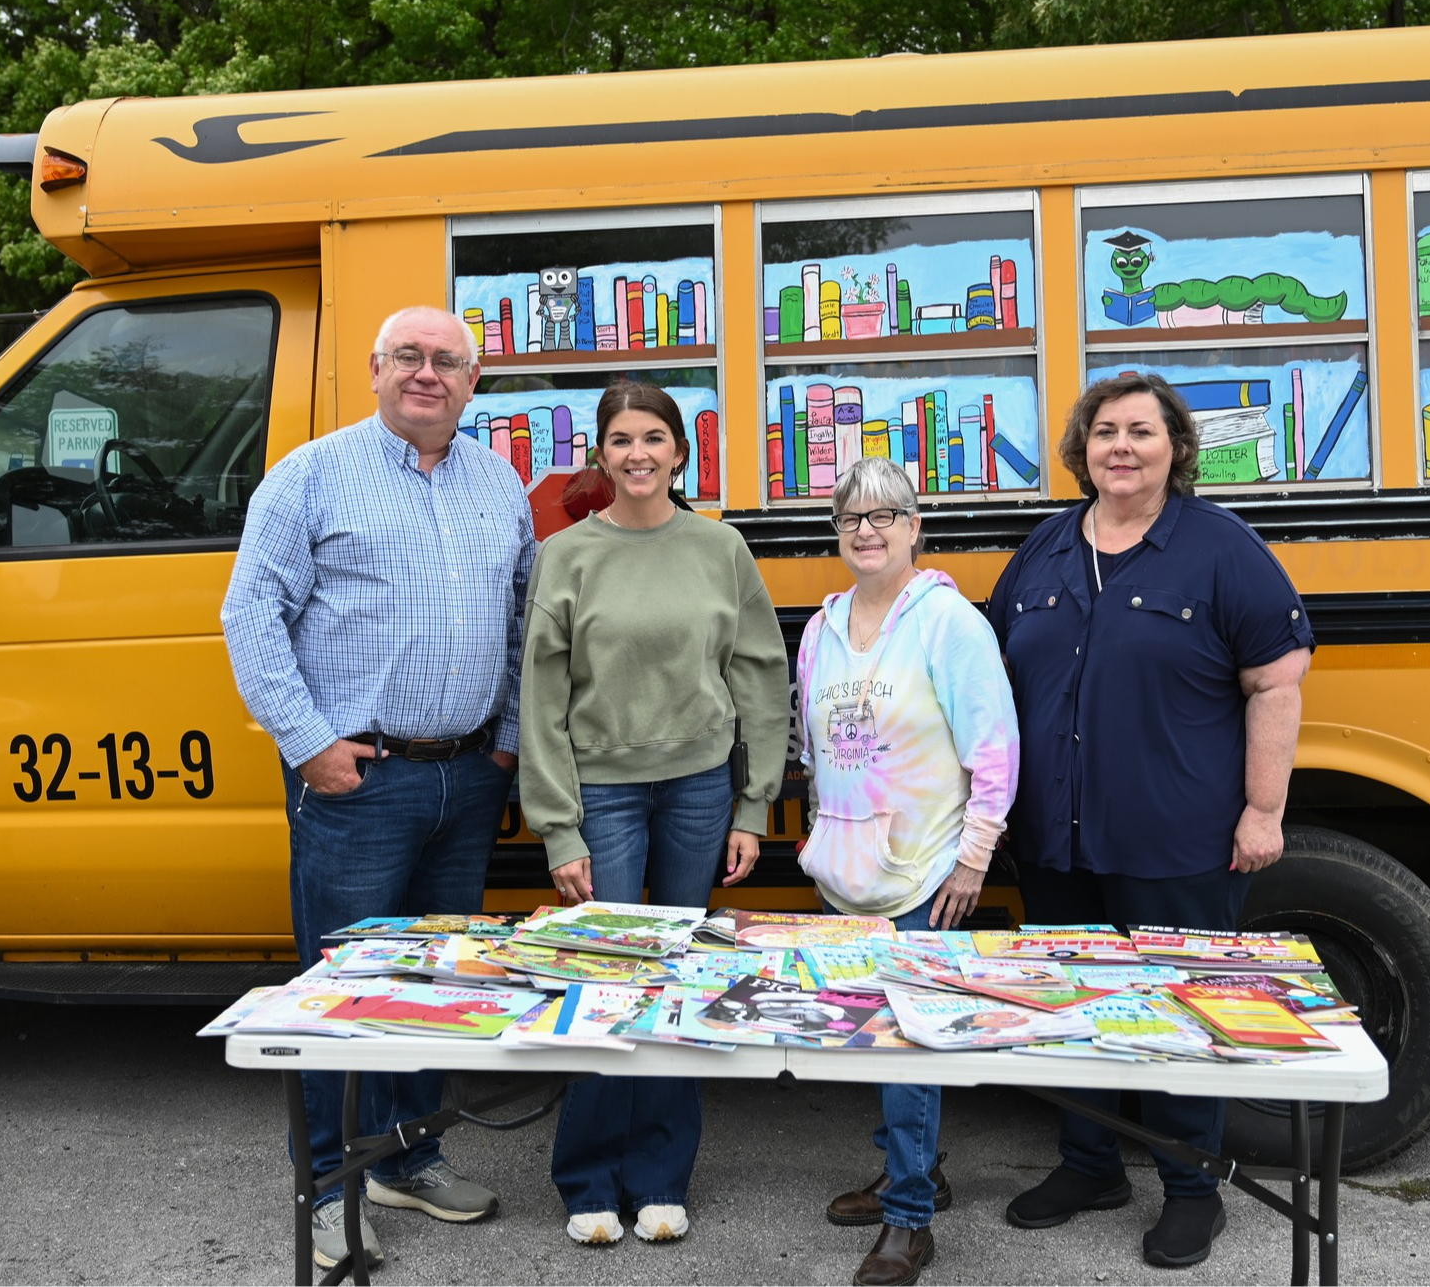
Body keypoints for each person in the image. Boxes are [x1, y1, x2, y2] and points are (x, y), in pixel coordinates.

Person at [221, 306, 533, 1271]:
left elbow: (524, 619)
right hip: (358, 777)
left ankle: (411, 1155)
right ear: (375, 368)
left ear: (473, 382)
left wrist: (512, 738)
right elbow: (251, 614)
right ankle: (324, 1183)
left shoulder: (500, 483)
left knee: (439, 987)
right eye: (410, 356)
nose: (428, 374)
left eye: (447, 361)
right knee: (341, 991)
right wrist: (309, 742)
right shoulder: (311, 476)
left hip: (467, 774)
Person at [987, 372, 1314, 1269]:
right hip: (1058, 838)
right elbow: (995, 685)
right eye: (1103, 432)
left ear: (1176, 444)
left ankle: (1192, 1189)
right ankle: (1089, 1164)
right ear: (1080, 450)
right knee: (1073, 1010)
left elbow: (1275, 681)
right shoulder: (1046, 551)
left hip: (1178, 840)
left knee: (1179, 1013)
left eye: (1140, 430)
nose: (1120, 447)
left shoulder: (1221, 549)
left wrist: (1263, 808)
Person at [518, 380, 790, 1247]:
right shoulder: (568, 556)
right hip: (602, 793)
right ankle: (589, 1178)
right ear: (601, 454)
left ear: (680, 449)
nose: (638, 453)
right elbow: (541, 698)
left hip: (699, 790)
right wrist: (559, 823)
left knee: (678, 981)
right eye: (621, 439)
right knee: (603, 978)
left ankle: (662, 1177)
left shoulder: (720, 547)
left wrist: (755, 802)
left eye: (655, 437)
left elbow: (759, 675)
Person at [794, 457, 1019, 1287]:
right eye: (850, 516)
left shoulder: (949, 623)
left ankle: (909, 1222)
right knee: (872, 1038)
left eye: (884, 514)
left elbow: (993, 746)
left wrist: (973, 856)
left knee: (909, 1046)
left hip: (925, 869)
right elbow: (813, 747)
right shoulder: (823, 628)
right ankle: (909, 1169)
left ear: (915, 526)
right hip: (847, 871)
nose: (866, 529)